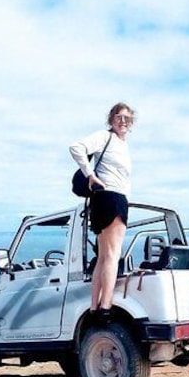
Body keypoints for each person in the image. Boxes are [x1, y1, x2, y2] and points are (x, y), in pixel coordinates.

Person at [69, 102, 135, 320]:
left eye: (127, 118)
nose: (122, 121)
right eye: (118, 116)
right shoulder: (104, 137)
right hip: (111, 198)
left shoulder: (123, 145)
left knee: (104, 257)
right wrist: (90, 175)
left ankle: (95, 306)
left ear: (131, 122)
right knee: (112, 256)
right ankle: (105, 306)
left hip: (109, 198)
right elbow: (76, 147)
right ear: (111, 119)